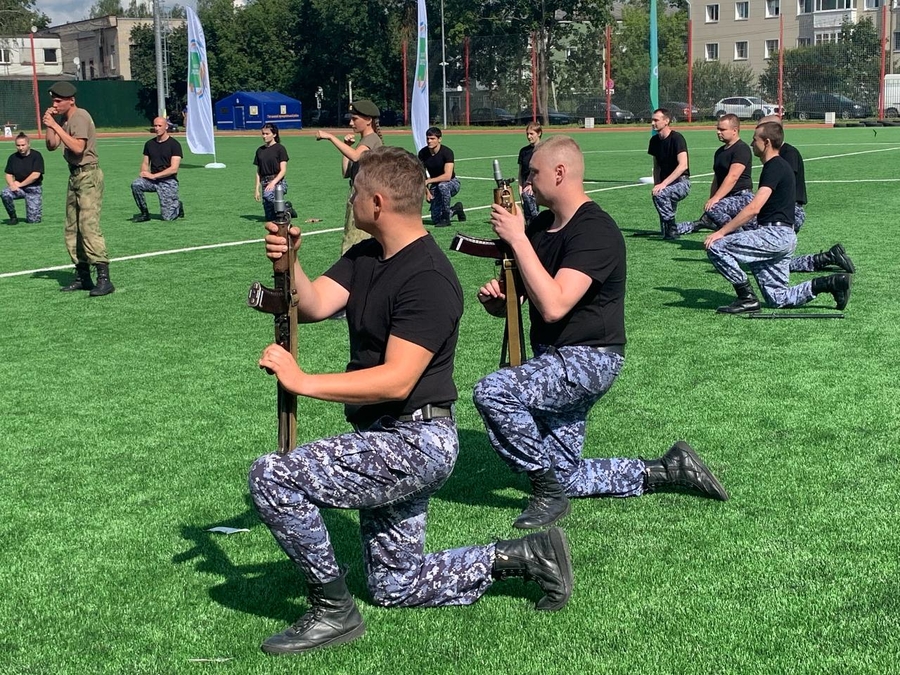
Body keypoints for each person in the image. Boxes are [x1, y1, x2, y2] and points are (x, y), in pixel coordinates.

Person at [248, 146, 573, 656]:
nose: (350, 198)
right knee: (394, 585)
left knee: (272, 475)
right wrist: (292, 263)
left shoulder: (428, 278)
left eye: (355, 192)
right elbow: (313, 306)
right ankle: (526, 556)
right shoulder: (365, 256)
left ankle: (332, 610)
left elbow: (398, 380)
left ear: (377, 202)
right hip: (382, 435)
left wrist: (303, 380)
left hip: (416, 440)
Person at [472, 136, 728, 531]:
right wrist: (500, 300)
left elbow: (555, 303)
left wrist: (518, 239)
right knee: (567, 474)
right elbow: (531, 296)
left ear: (560, 173)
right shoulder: (541, 226)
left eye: (533, 174)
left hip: (588, 359)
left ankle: (545, 491)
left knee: (493, 392)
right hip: (552, 355)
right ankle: (668, 469)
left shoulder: (596, 231)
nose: (527, 183)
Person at [704, 122, 851, 314]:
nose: (751, 143)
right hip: (784, 237)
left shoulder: (774, 166)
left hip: (774, 235)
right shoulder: (778, 165)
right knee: (778, 299)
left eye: (754, 139)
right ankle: (831, 283)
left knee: (716, 246)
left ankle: (746, 298)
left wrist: (721, 232)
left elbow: (754, 208)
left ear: (766, 142)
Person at [756, 115, 855, 276]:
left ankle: (827, 260)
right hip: (784, 212)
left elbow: (782, 188)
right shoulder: (777, 156)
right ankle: (828, 257)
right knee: (773, 263)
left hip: (788, 212)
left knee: (770, 264)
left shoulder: (787, 154)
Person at [43, 81, 114, 296]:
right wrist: (50, 124)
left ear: (70, 100)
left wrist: (55, 126)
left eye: (58, 101)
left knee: (88, 226)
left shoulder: (80, 116)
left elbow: (78, 147)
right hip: (74, 176)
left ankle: (104, 277)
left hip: (88, 175)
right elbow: (51, 146)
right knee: (71, 228)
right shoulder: (63, 119)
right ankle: (83, 276)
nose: (54, 104)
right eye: (53, 101)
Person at [315, 99, 383, 254]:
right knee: (351, 238)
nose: (351, 123)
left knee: (356, 242)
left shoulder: (371, 139)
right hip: (356, 194)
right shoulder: (364, 141)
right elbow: (346, 172)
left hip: (364, 196)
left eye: (355, 119)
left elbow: (355, 157)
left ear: (368, 120)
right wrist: (348, 145)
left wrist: (331, 137)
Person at [672, 114, 752, 238]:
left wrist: (715, 200)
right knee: (712, 209)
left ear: (735, 130)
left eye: (722, 129)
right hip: (727, 198)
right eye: (718, 129)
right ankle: (735, 235)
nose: (718, 132)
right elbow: (717, 178)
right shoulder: (719, 152)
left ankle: (739, 237)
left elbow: (733, 177)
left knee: (717, 210)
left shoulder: (741, 149)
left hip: (742, 197)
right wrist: (712, 198)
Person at [130, 116, 184, 222]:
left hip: (168, 181)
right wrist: (144, 172)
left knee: (168, 218)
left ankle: (177, 205)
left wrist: (154, 176)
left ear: (166, 126)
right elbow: (145, 162)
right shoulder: (149, 144)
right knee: (136, 184)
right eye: (155, 125)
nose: (157, 128)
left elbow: (174, 169)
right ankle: (145, 213)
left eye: (160, 126)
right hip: (153, 181)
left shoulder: (174, 145)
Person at [647, 108, 690, 238]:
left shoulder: (677, 138)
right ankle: (696, 225)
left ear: (666, 121)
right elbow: (657, 166)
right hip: (666, 184)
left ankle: (672, 228)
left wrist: (663, 184)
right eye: (652, 120)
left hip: (681, 183)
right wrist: (657, 184)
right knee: (665, 231)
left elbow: (683, 165)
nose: (653, 123)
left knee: (660, 195)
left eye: (656, 120)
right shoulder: (654, 141)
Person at [417, 126, 465, 227]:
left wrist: (428, 181)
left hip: (452, 183)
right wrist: (427, 192)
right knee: (435, 219)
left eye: (432, 138)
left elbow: (447, 176)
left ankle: (446, 217)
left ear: (439, 139)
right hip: (435, 184)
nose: (429, 141)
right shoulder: (422, 153)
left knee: (443, 186)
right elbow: (422, 174)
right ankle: (456, 209)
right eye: (428, 138)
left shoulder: (447, 152)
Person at [253, 123, 293, 221]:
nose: (264, 136)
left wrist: (273, 182)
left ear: (274, 134)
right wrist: (257, 189)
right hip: (265, 182)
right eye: (263, 134)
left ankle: (286, 207)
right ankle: (286, 211)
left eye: (267, 134)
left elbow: (283, 170)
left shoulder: (280, 149)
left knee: (268, 196)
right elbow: (258, 172)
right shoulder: (260, 150)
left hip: (278, 183)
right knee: (270, 218)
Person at [2, 132, 44, 224]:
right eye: (18, 145)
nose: (20, 148)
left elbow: (35, 175)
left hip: (33, 189)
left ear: (28, 144)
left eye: (23, 145)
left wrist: (20, 184)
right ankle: (13, 217)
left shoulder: (36, 156)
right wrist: (12, 184)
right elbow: (8, 174)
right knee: (5, 193)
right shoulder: (13, 157)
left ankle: (33, 215)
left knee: (34, 221)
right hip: (18, 188)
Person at [517, 121, 542, 224]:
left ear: (539, 133)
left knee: (534, 216)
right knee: (528, 218)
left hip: (536, 187)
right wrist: (520, 191)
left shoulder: (543, 149)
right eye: (527, 134)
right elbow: (520, 173)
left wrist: (532, 185)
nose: (528, 136)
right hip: (525, 189)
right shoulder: (523, 151)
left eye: (531, 134)